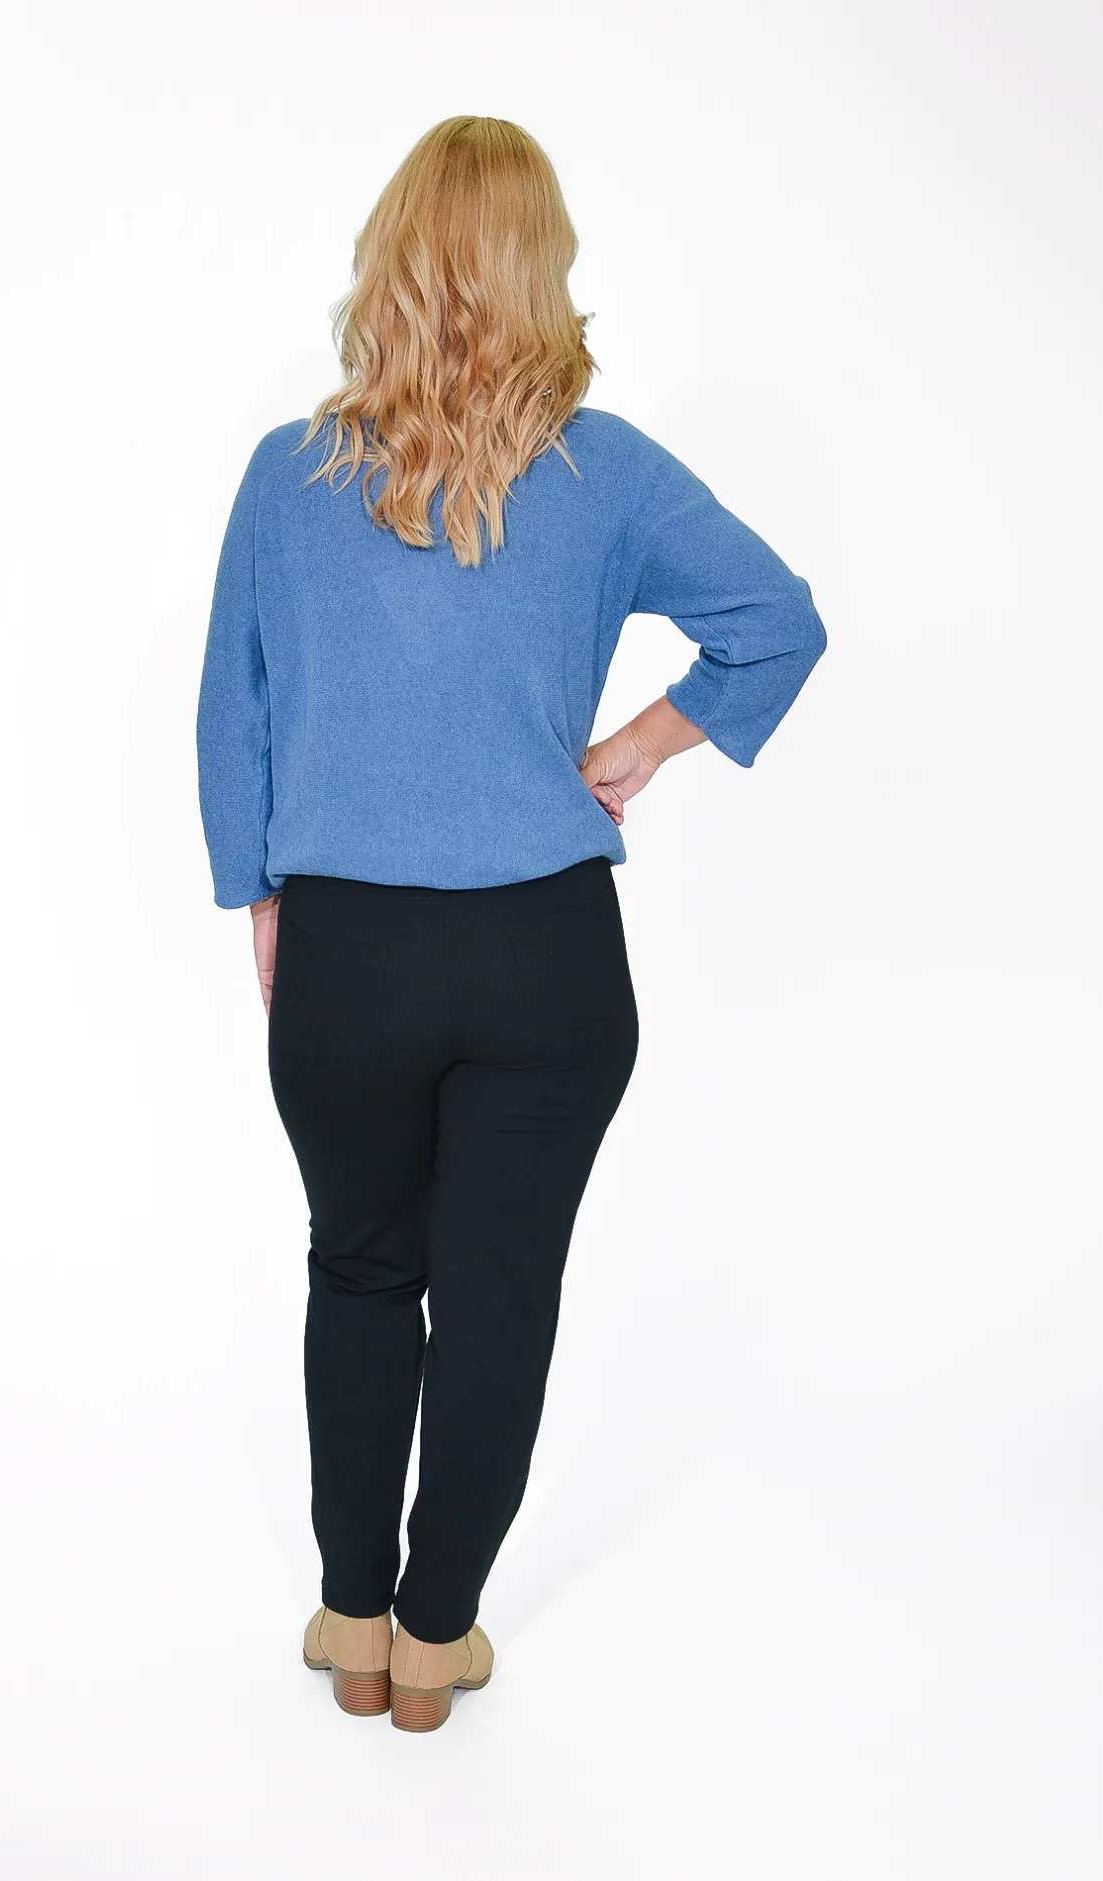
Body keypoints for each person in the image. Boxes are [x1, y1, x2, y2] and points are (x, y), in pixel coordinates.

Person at [196, 116, 826, 1734]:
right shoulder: (601, 471)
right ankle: (436, 1640)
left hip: (349, 951)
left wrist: (259, 891)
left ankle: (351, 1619)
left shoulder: (287, 475)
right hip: (544, 956)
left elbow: (232, 708)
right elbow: (775, 621)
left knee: (360, 1269)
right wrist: (639, 749)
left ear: (390, 255)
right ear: (542, 267)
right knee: (497, 1297)